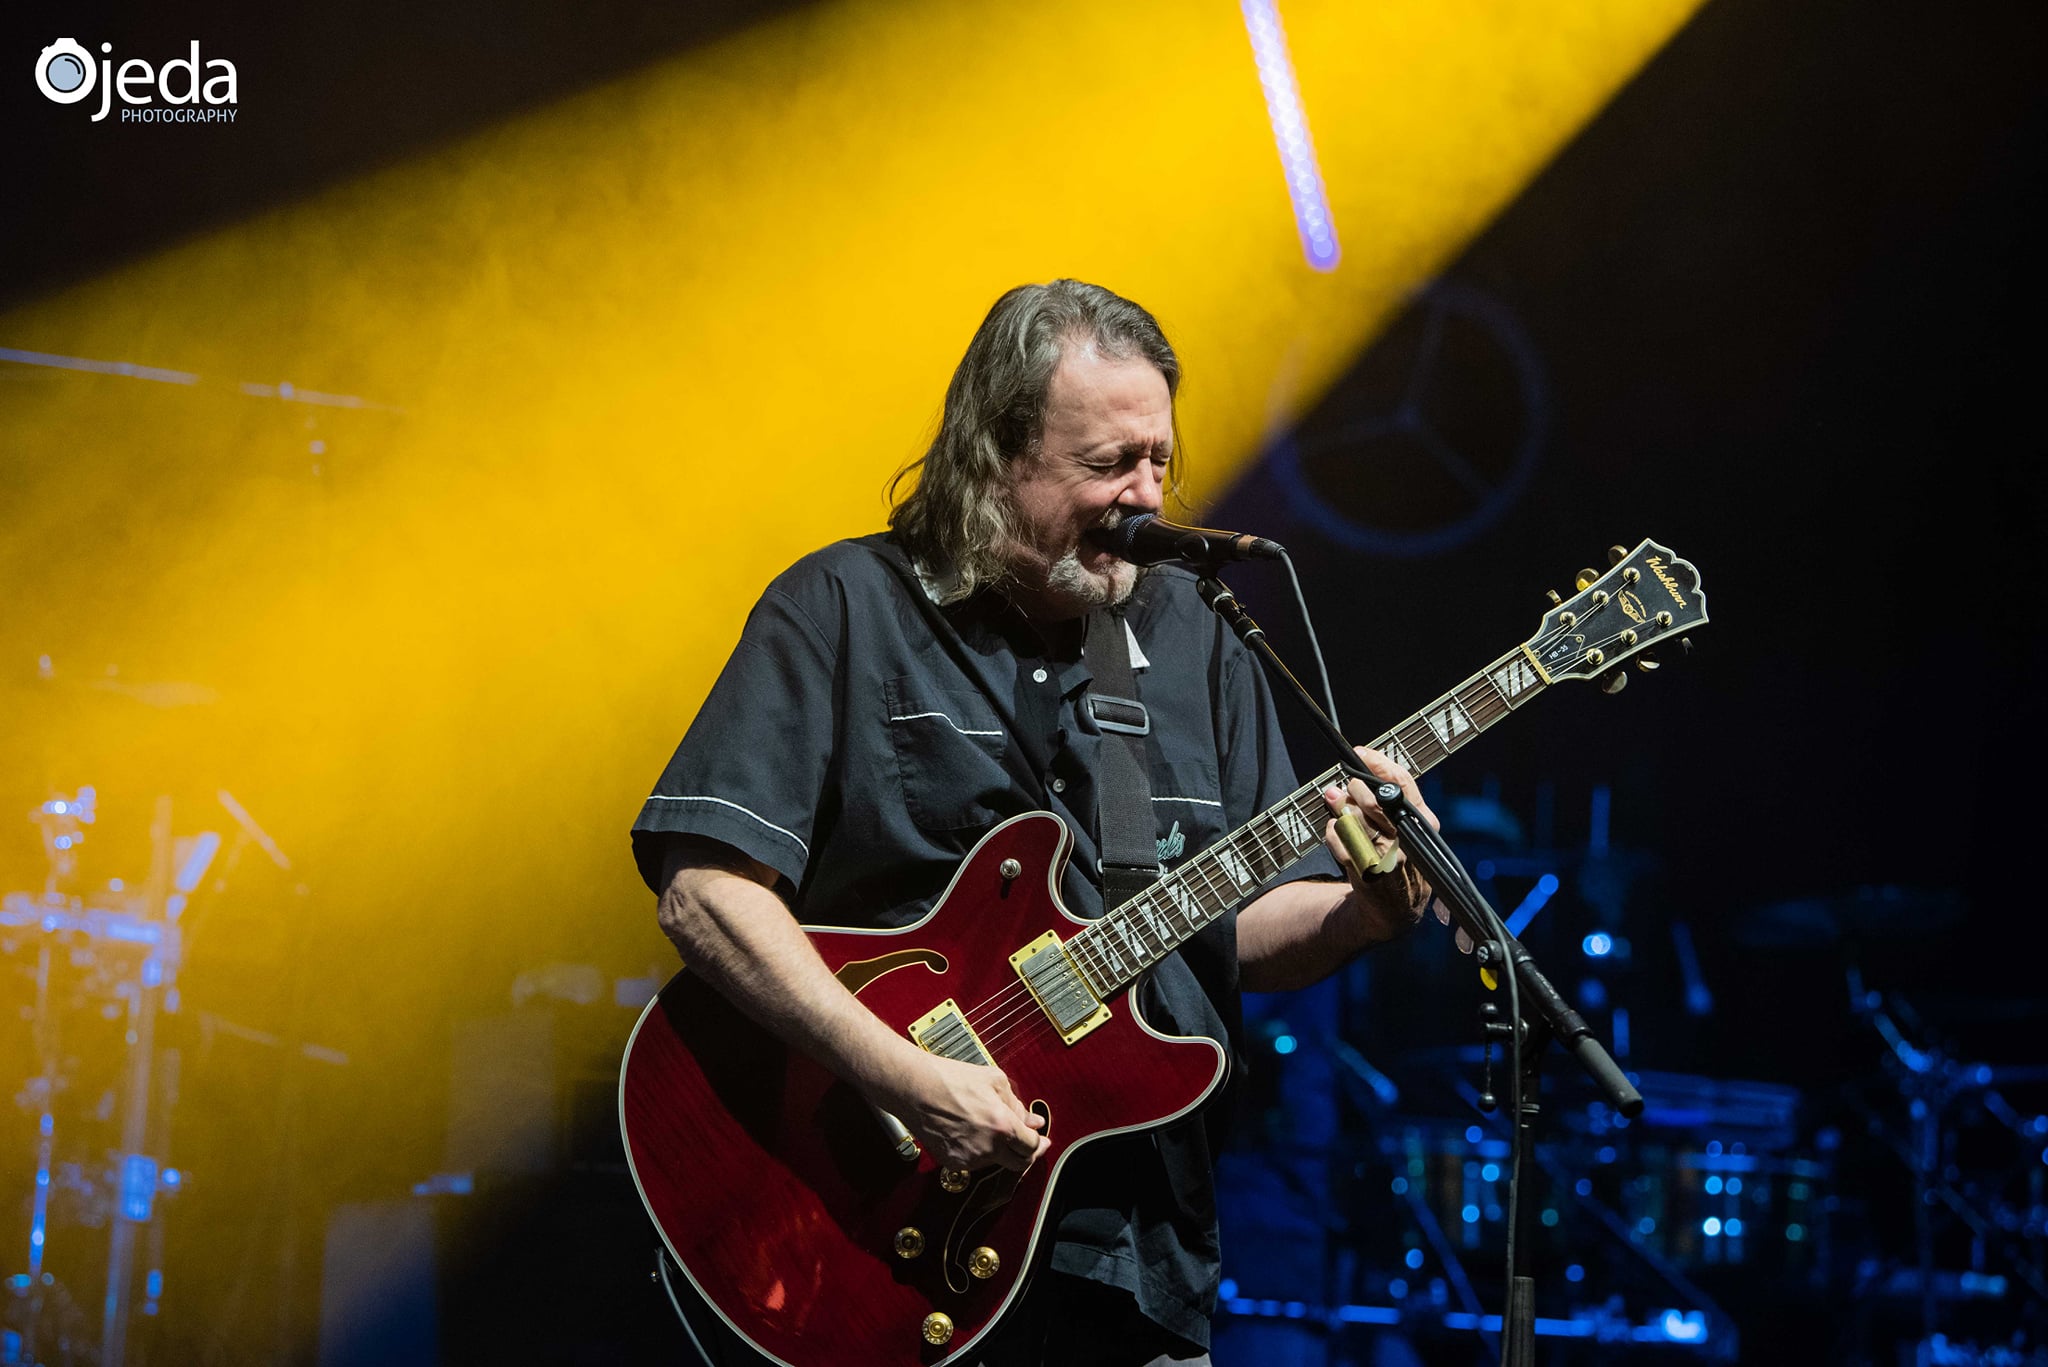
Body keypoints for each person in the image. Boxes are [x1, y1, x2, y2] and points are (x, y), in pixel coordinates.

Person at [632, 279, 1440, 1366]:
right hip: (865, 1230)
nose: (1143, 497)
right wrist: (900, 1074)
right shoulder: (843, 607)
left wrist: (1362, 912)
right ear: (994, 456)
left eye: (1158, 458)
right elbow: (707, 889)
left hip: (1138, 1259)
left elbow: (1226, 932)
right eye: (1107, 466)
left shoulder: (1199, 636)